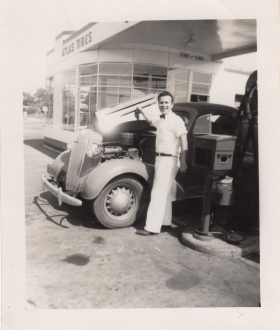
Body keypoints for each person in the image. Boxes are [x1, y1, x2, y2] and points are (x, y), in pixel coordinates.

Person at [135, 91, 188, 236]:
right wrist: (142, 111)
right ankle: (165, 223)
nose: (163, 105)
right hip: (161, 159)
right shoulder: (162, 120)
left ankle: (151, 227)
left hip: (169, 160)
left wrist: (183, 161)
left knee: (157, 193)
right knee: (165, 193)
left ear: (172, 104)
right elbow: (151, 121)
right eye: (161, 102)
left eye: (166, 102)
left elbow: (184, 140)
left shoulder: (176, 120)